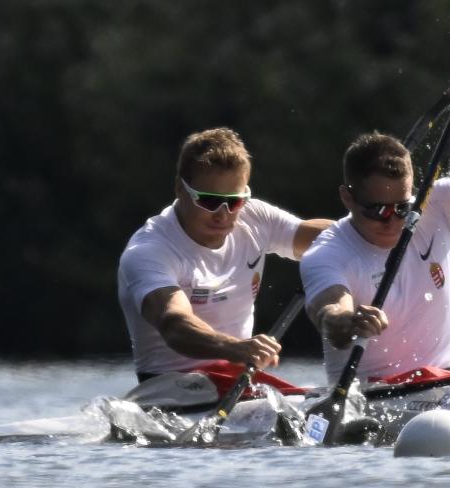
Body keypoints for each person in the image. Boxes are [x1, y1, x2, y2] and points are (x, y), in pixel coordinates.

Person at [300, 66, 450, 383]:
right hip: (369, 395)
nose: (392, 220)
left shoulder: (438, 206)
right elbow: (329, 314)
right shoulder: (328, 252)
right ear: (347, 198)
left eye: (402, 207)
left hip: (442, 381)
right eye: (377, 210)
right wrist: (348, 322)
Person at [117, 127, 332, 394]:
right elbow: (175, 324)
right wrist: (235, 348)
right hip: (172, 388)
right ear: (180, 189)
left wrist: (385, 222)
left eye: (235, 202)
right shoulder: (150, 251)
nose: (223, 214)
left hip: (238, 381)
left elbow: (328, 239)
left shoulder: (255, 219)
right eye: (208, 201)